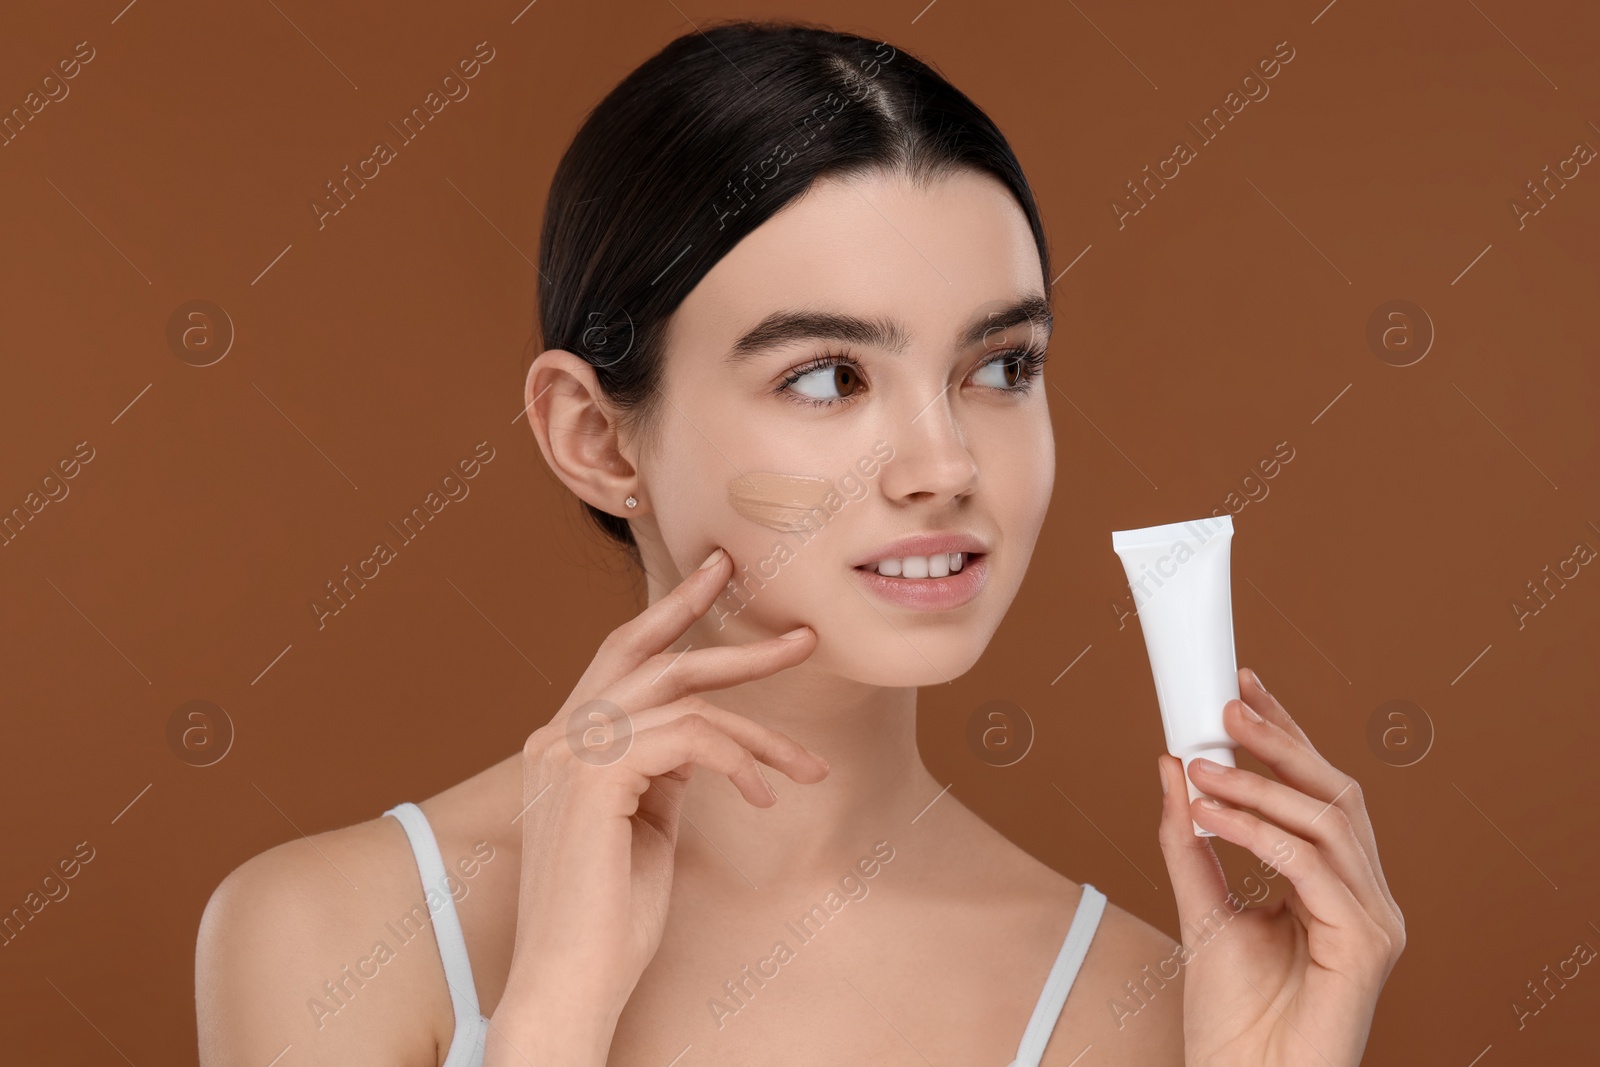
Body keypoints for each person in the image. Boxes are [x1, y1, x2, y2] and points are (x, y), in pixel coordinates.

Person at [196, 19, 1403, 1066]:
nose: (946, 465)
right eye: (829, 376)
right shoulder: (334, 937)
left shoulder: (1150, 1010)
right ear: (597, 438)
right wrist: (553, 1008)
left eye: (1000, 366)